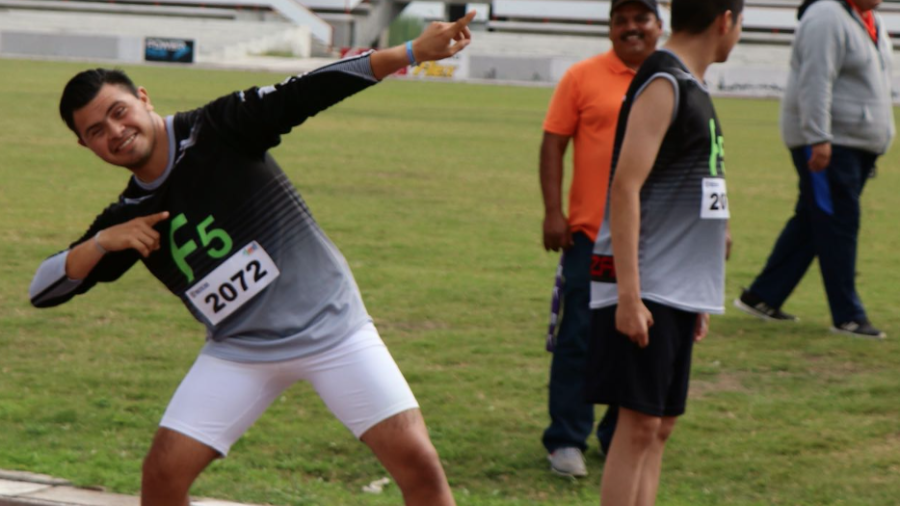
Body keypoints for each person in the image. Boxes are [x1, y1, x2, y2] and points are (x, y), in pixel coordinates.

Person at [28, 13, 475, 506]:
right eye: (95, 130)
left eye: (119, 111)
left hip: (333, 328)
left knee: (419, 464)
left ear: (143, 99)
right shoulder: (129, 219)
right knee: (162, 476)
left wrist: (411, 52)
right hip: (240, 351)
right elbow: (43, 290)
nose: (114, 131)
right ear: (83, 144)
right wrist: (99, 244)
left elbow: (309, 89)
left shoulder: (218, 127)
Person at [583, 0, 742, 502]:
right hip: (646, 285)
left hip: (678, 287)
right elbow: (625, 187)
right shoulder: (664, 81)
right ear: (725, 20)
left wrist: (701, 287)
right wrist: (629, 296)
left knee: (658, 427)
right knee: (636, 428)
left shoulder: (691, 85)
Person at [539, 0, 663, 478]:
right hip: (591, 235)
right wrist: (554, 211)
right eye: (621, 20)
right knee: (579, 339)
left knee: (641, 341)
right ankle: (567, 439)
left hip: (655, 240)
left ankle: (619, 438)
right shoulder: (582, 76)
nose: (631, 28)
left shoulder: (671, 78)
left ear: (659, 25)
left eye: (641, 19)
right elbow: (553, 141)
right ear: (610, 28)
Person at [734, 0, 893, 339]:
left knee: (813, 219)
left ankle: (761, 297)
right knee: (838, 222)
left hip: (855, 144)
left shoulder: (869, 20)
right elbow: (815, 79)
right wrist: (818, 136)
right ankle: (847, 314)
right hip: (832, 143)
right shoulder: (826, 16)